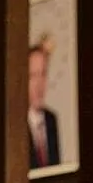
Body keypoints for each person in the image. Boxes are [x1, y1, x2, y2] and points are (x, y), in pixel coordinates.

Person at [28, 37, 61, 169]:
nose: (39, 84)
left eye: (43, 74)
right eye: (33, 76)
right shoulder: (16, 124)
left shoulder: (51, 119)